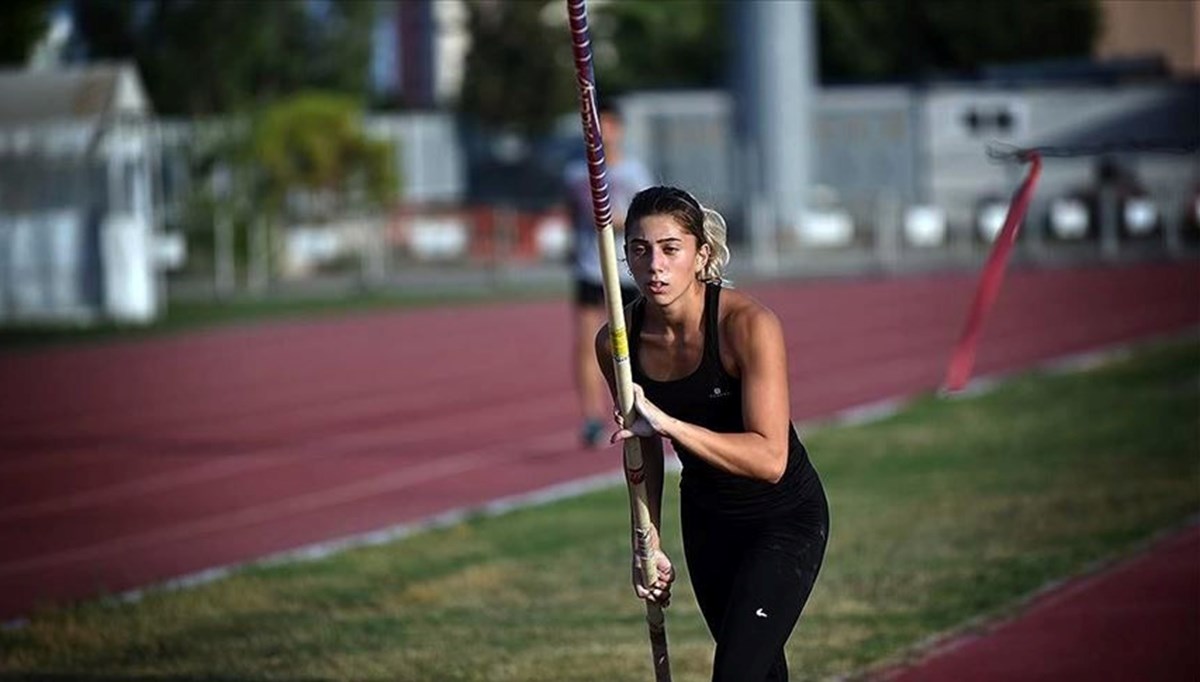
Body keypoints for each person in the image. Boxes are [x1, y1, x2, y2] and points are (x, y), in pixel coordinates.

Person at [596, 186, 829, 681]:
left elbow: (770, 459)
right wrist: (648, 539)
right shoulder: (617, 342)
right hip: (708, 524)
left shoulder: (748, 324)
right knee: (759, 672)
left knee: (736, 674)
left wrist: (669, 423)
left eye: (669, 249)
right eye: (639, 250)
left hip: (783, 520)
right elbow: (644, 447)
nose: (653, 264)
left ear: (700, 255)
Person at [565, 98, 653, 448]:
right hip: (590, 269)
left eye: (608, 125)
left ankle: (641, 408)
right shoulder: (574, 173)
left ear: (619, 128)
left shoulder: (634, 172)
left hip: (628, 272)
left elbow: (647, 219)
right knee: (587, 343)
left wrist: (617, 221)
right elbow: (572, 214)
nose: (602, 133)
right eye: (594, 125)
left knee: (635, 347)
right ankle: (590, 417)